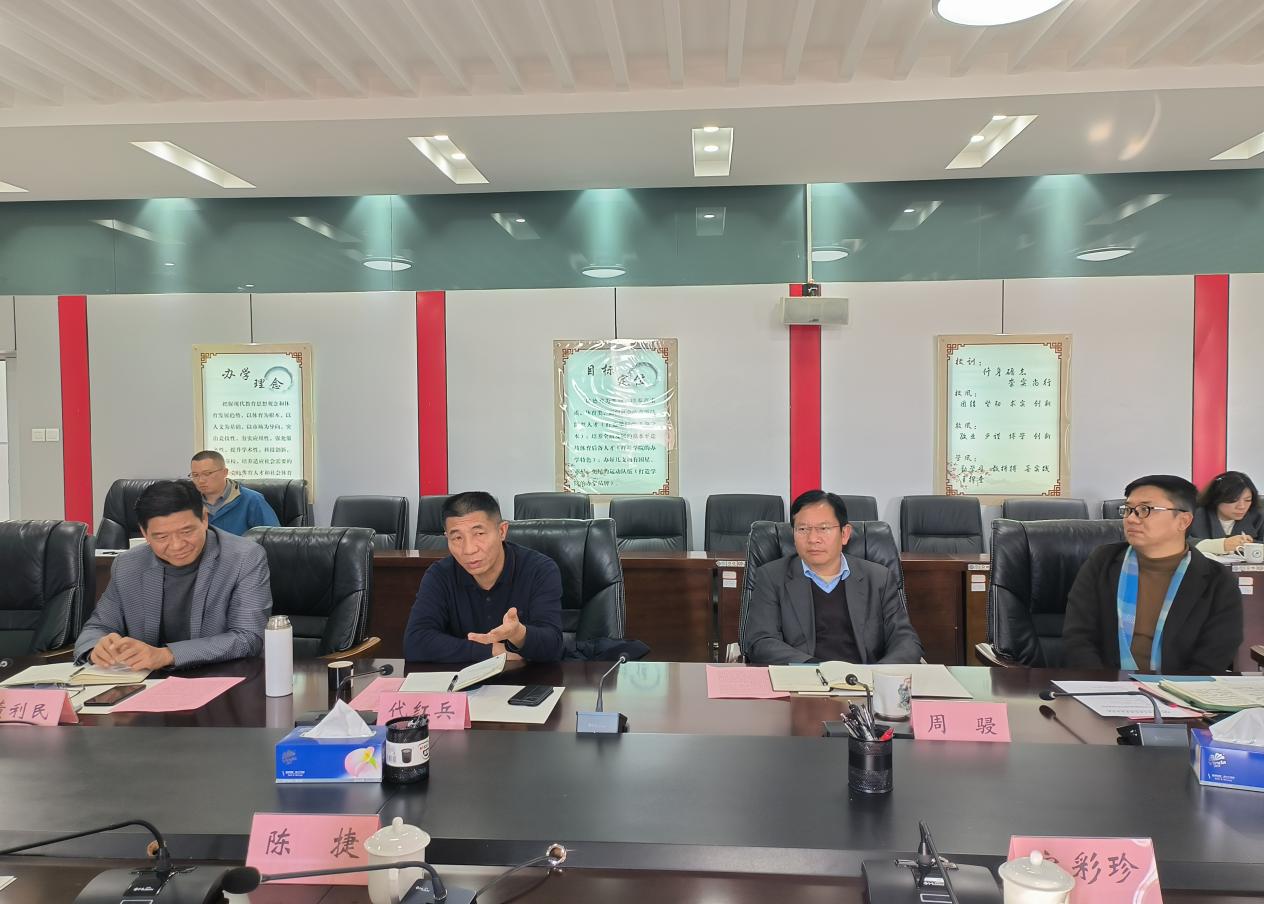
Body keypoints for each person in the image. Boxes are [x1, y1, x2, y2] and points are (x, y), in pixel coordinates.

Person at [75, 480, 273, 669]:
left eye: (187, 532)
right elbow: (98, 626)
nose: (177, 545)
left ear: (204, 519)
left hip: (221, 677)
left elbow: (248, 638)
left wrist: (167, 655)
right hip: (147, 681)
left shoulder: (244, 558)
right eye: (162, 537)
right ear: (144, 533)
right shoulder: (128, 564)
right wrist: (97, 647)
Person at [1062, 475, 1242, 674]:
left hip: (1182, 690)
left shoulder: (1217, 581)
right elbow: (1078, 638)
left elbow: (1215, 654)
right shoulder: (1103, 562)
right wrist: (1100, 685)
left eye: (1145, 510)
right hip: (1103, 685)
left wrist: (1174, 691)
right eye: (1128, 509)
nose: (1131, 519)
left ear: (1183, 521)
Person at [744, 489, 923, 665]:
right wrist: (815, 667)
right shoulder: (772, 577)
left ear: (844, 534)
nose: (813, 538)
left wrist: (878, 674)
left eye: (824, 528)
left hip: (865, 678)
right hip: (804, 677)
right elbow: (761, 641)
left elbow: (905, 640)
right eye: (803, 529)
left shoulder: (878, 578)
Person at [403, 491, 564, 663]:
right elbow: (415, 642)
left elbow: (553, 646)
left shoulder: (540, 570)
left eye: (479, 534)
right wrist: (491, 651)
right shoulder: (439, 575)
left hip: (529, 676)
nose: (469, 549)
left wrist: (518, 634)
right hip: (463, 678)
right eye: (457, 537)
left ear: (502, 531)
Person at [189, 450, 279, 535]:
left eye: (207, 473)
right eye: (195, 475)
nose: (201, 480)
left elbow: (273, 538)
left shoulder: (252, 500)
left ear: (225, 472)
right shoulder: (188, 502)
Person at [1188, 470, 1264, 556]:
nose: (1242, 506)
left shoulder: (1258, 517)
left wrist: (1251, 544)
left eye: (1247, 500)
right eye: (1234, 500)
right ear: (1216, 498)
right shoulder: (1195, 516)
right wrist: (1222, 545)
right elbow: (1182, 544)